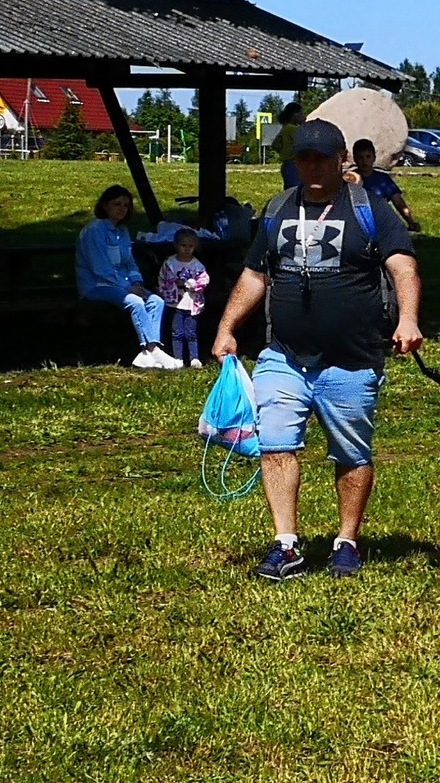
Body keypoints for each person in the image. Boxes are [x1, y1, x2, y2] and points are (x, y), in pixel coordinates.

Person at [211, 120, 423, 581]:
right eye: (304, 159)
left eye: (322, 159)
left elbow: (403, 266)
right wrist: (227, 327)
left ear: (341, 159)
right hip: (284, 356)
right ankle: (286, 544)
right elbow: (254, 275)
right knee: (275, 445)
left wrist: (408, 319)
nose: (313, 168)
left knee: (351, 454)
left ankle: (346, 541)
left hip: (351, 358)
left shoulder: (369, 208)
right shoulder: (278, 209)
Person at [76, 185, 176, 369]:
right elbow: (101, 269)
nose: (122, 209)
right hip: (97, 285)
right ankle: (154, 350)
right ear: (105, 205)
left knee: (157, 301)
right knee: (135, 302)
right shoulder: (94, 230)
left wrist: (137, 282)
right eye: (117, 204)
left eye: (126, 205)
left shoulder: (122, 231)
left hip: (123, 283)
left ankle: (147, 354)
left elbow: (129, 262)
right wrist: (127, 287)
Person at [157, 228, 211, 368]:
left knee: (191, 332)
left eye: (190, 246)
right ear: (176, 245)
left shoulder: (197, 266)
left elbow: (204, 280)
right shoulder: (169, 263)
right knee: (177, 332)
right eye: (183, 245)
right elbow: (163, 279)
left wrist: (189, 284)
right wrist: (168, 288)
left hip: (191, 303)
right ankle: (178, 358)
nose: (187, 249)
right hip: (175, 303)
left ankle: (194, 357)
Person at [352, 138, 420, 233]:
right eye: (360, 157)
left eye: (368, 157)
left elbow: (398, 202)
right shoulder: (349, 180)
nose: (364, 161)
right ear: (355, 159)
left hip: (379, 223)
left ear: (374, 158)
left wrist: (410, 222)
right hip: (355, 224)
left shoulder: (383, 180)